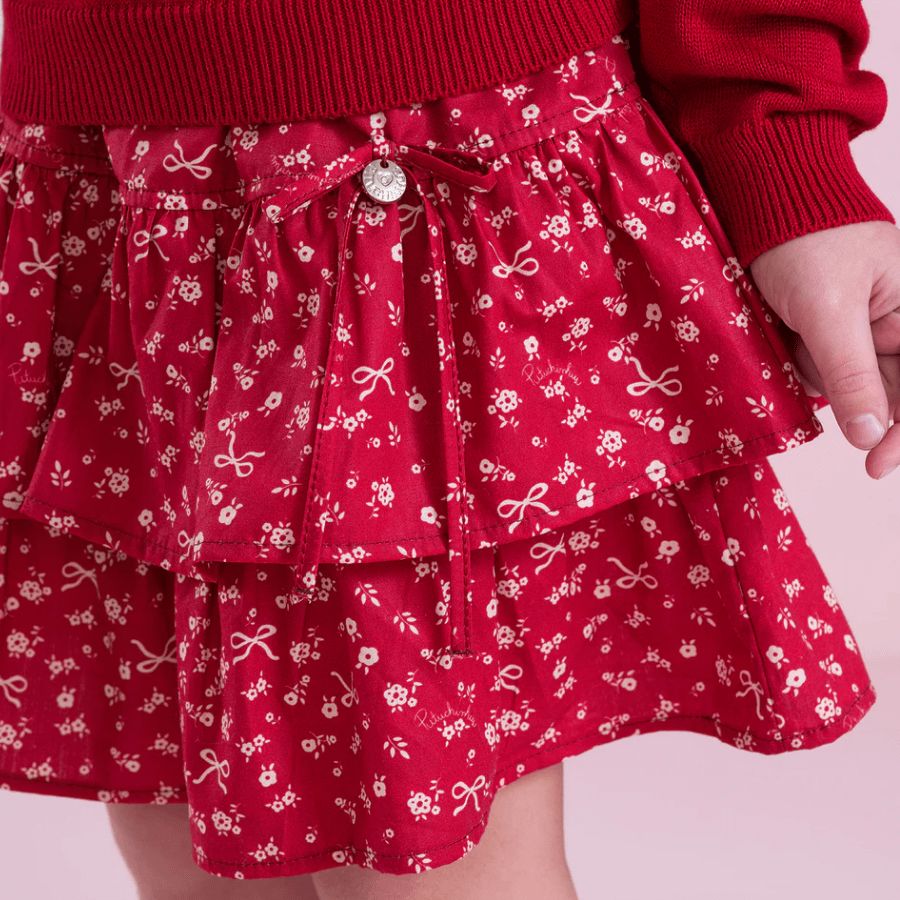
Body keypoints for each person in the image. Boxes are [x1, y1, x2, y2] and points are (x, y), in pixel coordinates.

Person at [0, 2, 894, 898]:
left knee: (429, 870)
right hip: (98, 171)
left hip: (416, 173)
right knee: (200, 862)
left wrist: (791, 166)